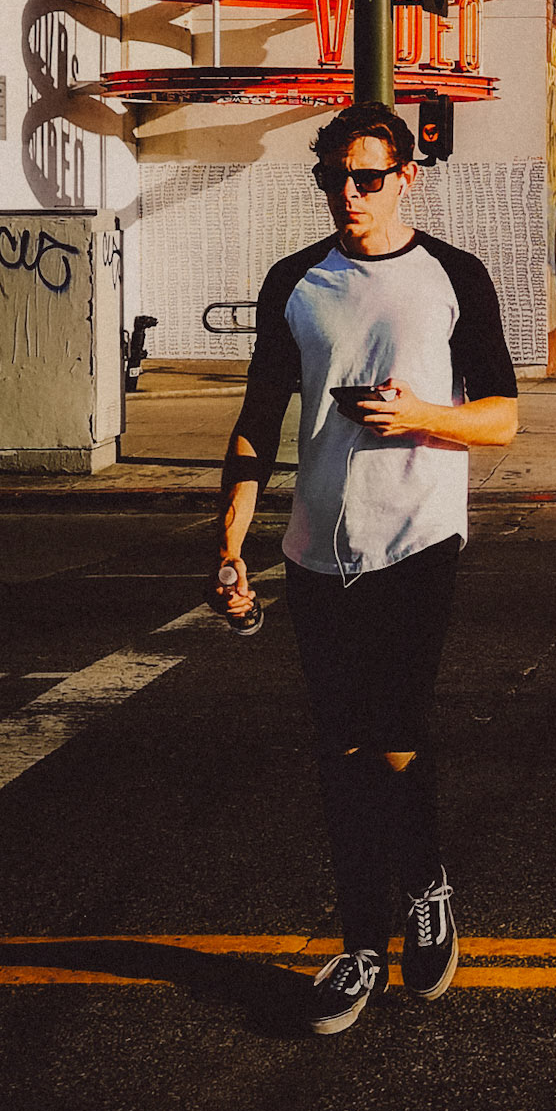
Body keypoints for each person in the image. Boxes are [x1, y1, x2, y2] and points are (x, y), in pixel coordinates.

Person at [211, 100, 519, 1034]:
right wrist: (228, 541)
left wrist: (426, 416)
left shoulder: (452, 276)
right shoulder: (295, 283)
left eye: (368, 178)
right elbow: (258, 421)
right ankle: (358, 946)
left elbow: (502, 416)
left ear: (406, 177)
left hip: (419, 536)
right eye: (335, 179)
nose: (349, 194)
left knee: (396, 733)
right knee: (341, 749)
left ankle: (424, 888)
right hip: (315, 552)